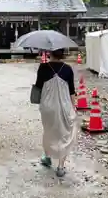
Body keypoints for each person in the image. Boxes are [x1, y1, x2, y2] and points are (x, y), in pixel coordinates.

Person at [34, 48, 78, 177]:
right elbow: (71, 90)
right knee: (64, 134)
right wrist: (73, 107)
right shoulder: (68, 69)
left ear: (49, 53)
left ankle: (47, 158)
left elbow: (38, 87)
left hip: (48, 106)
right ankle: (60, 166)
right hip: (64, 106)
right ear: (63, 54)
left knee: (49, 131)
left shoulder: (43, 67)